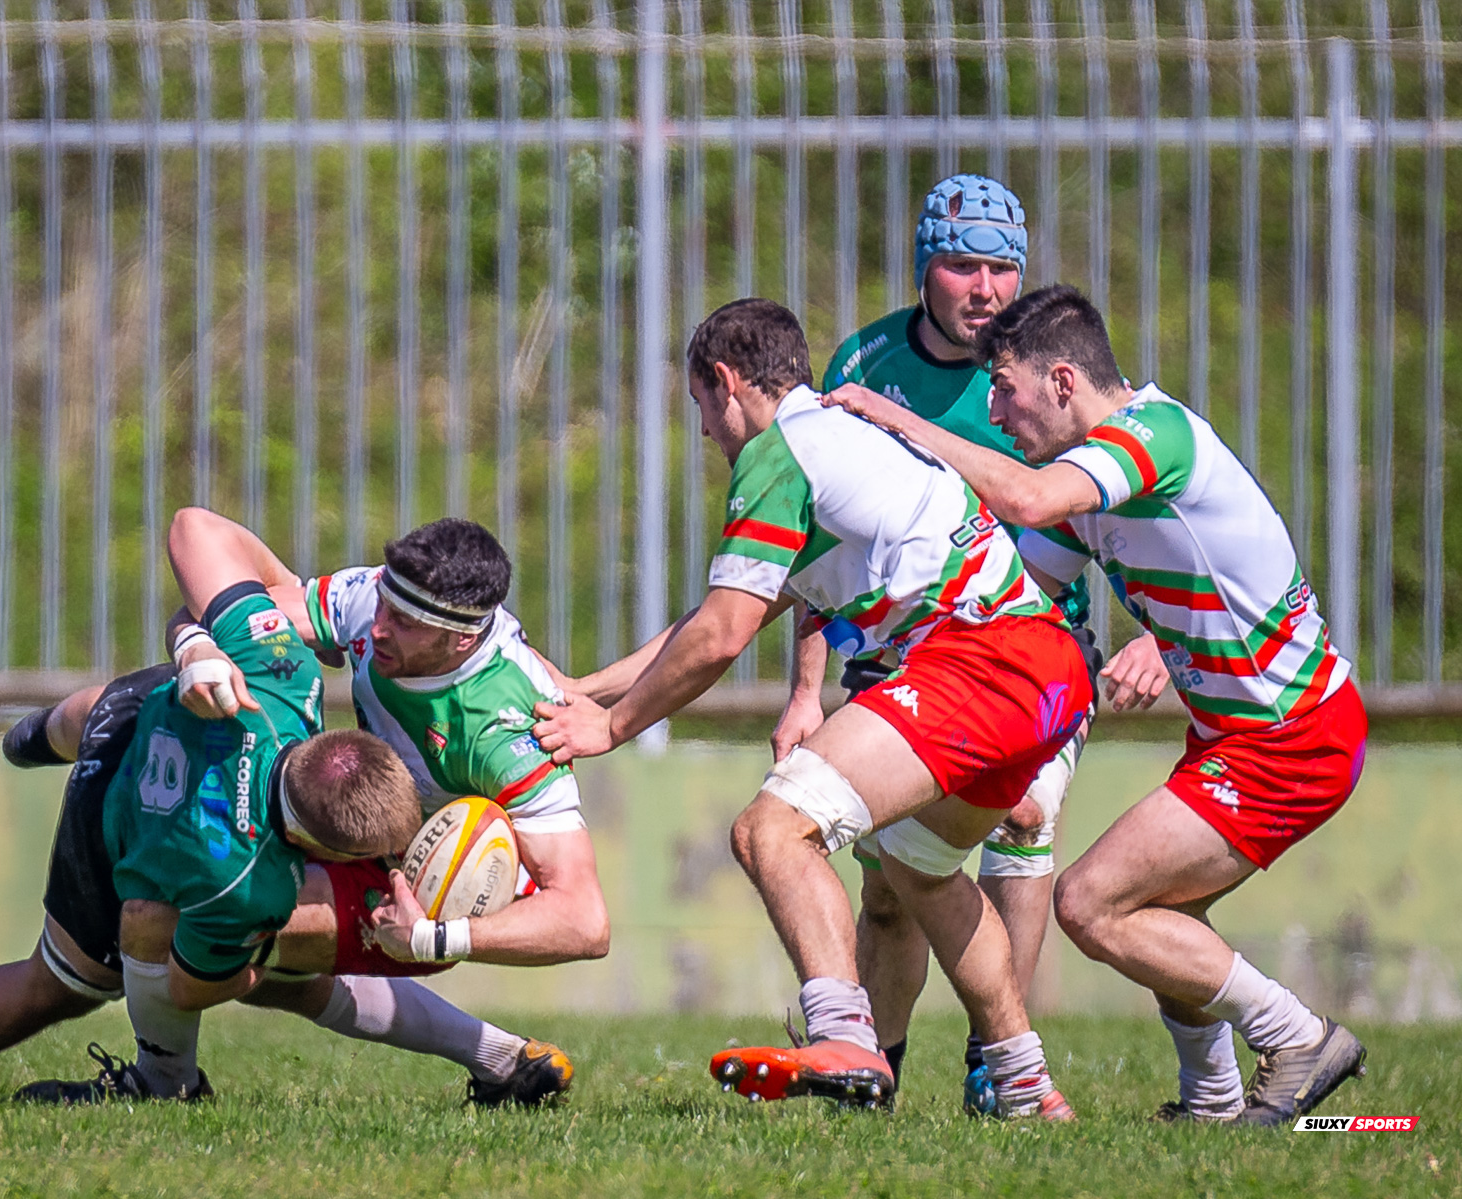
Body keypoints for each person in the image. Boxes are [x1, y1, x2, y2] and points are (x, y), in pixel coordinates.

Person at [824, 284, 1369, 1126]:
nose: (995, 411)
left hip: (1293, 735)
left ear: (1064, 381)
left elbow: (1032, 503)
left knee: (1092, 902)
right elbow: (1024, 598)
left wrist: (906, 428)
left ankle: (1298, 1036)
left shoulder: (1152, 435)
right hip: (1235, 735)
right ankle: (1216, 1101)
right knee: (1162, 910)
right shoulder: (1088, 485)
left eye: (1004, 387)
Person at [535, 297, 1089, 1119]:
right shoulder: (847, 439)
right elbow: (714, 618)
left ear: (725, 382)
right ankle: (1027, 1084)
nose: (705, 433)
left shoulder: (779, 452)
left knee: (770, 829)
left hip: (974, 660)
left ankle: (845, 1037)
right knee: (922, 867)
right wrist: (586, 690)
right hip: (1046, 672)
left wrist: (613, 728)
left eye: (699, 408)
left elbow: (722, 637)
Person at [3, 511, 607, 1106]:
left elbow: (585, 921)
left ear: (463, 638)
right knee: (258, 960)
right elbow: (202, 544)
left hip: (434, 891)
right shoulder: (378, 599)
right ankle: (506, 1062)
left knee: (215, 923)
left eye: (405, 622)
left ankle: (162, 1086)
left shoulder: (512, 731)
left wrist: (431, 936)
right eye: (384, 607)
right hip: (369, 831)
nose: (380, 629)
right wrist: (196, 645)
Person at [0, 570, 427, 1104]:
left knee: (103, 709)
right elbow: (187, 989)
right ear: (326, 849)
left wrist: (193, 647)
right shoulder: (245, 885)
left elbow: (195, 577)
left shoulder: (285, 681)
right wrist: (256, 966)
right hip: (110, 841)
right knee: (54, 986)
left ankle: (27, 740)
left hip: (125, 723)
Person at [813, 173, 1103, 1103]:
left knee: (1023, 826)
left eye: (1001, 267)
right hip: (899, 655)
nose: (984, 287)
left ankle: (997, 1067)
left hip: (1034, 651)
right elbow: (823, 537)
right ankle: (877, 1071)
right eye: (962, 264)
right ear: (922, 268)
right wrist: (798, 690)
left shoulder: (1046, 368)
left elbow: (1118, 507)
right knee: (894, 879)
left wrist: (1149, 633)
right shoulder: (863, 364)